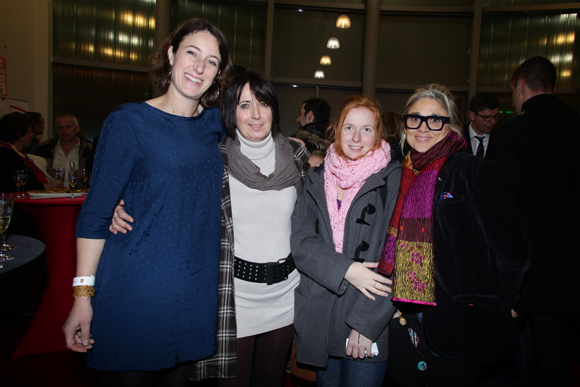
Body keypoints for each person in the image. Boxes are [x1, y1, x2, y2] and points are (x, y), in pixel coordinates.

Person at [110, 70, 311, 387]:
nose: (256, 115)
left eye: (263, 103)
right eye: (244, 105)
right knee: (232, 381)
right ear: (230, 112)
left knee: (272, 378)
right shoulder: (214, 158)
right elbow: (168, 192)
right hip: (235, 297)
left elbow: (324, 206)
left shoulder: (297, 155)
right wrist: (119, 204)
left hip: (285, 294)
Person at [62, 18, 233, 386]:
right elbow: (94, 215)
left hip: (192, 292)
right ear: (171, 55)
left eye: (212, 61)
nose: (199, 67)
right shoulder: (129, 121)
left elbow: (259, 121)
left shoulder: (213, 124)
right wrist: (82, 297)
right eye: (192, 53)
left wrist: (307, 153)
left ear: (218, 74)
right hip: (135, 290)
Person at [378, 84, 529, 387]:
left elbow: (512, 251)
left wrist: (502, 301)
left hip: (461, 323)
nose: (423, 128)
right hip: (408, 314)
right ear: (405, 124)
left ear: (450, 126)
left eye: (435, 119)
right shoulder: (401, 173)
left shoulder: (474, 171)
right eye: (415, 118)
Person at [291, 95, 400, 387]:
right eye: (349, 127)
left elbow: (399, 257)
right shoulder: (317, 177)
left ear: (379, 134)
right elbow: (302, 242)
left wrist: (366, 324)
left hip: (366, 316)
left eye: (367, 129)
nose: (356, 137)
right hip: (320, 317)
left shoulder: (394, 180)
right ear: (336, 129)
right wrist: (347, 270)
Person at [486, 56, 580, 386]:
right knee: (556, 359)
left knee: (516, 362)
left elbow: (496, 210)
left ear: (520, 86)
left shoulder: (512, 133)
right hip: (568, 272)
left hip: (522, 275)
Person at [0, 112, 58, 193]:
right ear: (19, 134)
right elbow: (14, 186)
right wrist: (46, 186)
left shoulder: (14, 152)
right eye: (29, 132)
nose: (31, 135)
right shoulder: (7, 155)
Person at [35, 113, 94, 188]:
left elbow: (99, 174)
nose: (64, 130)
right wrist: (45, 174)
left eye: (68, 127)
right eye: (60, 127)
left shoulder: (90, 149)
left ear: (77, 129)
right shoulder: (44, 148)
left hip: (80, 195)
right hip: (53, 195)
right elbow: (35, 174)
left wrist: (86, 174)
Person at [292, 98, 331, 167]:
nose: (297, 119)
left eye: (300, 114)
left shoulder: (295, 143)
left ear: (309, 115)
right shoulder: (338, 147)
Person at [463, 92, 500, 158]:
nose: (493, 122)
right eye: (487, 117)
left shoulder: (502, 139)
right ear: (472, 115)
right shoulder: (456, 137)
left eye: (496, 116)